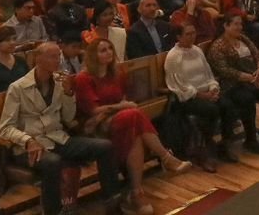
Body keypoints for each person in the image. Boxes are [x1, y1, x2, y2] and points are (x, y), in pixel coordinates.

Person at [0, 41, 128, 215]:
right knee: (52, 162)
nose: (57, 60)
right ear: (38, 59)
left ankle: (112, 202)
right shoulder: (18, 88)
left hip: (57, 137)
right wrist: (27, 141)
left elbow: (67, 117)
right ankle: (54, 212)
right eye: (52, 56)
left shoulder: (60, 82)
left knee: (105, 146)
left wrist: (68, 94)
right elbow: (5, 128)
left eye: (58, 55)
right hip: (29, 147)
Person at [74, 38, 191, 212]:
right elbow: (93, 111)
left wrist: (122, 105)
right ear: (93, 55)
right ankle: (166, 157)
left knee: (134, 129)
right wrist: (121, 107)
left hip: (120, 118)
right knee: (133, 114)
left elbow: (122, 97)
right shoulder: (83, 78)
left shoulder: (117, 72)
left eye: (109, 49)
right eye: (102, 50)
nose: (108, 53)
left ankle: (136, 192)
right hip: (96, 125)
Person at [162, 22, 239, 170]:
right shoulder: (173, 56)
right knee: (210, 110)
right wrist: (202, 95)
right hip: (187, 98)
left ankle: (225, 144)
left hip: (206, 93)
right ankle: (203, 151)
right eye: (188, 34)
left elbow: (208, 74)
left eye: (193, 33)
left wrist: (213, 88)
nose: (192, 37)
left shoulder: (197, 50)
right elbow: (179, 85)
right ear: (178, 37)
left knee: (228, 106)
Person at [207, 13, 259, 152]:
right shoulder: (217, 47)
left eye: (240, 24)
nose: (240, 27)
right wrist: (251, 78)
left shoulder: (243, 38)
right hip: (232, 84)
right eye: (236, 24)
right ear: (226, 26)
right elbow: (225, 71)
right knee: (247, 97)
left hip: (253, 77)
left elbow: (258, 55)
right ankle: (250, 139)